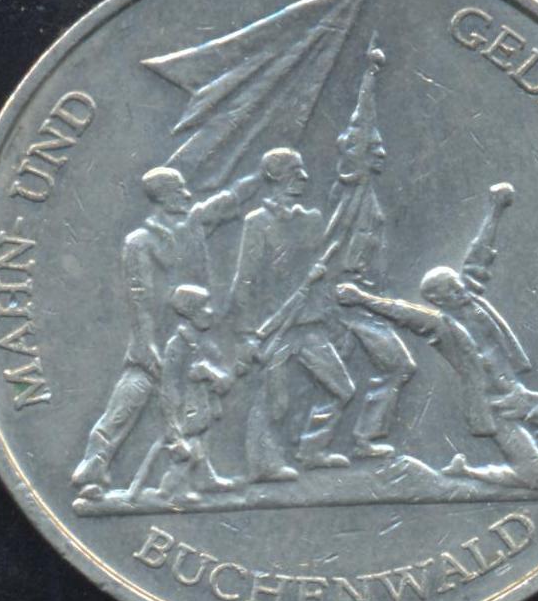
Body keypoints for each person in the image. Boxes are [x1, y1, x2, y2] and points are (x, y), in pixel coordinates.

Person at [335, 183, 538, 493]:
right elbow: (401, 312)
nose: (459, 290)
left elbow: (480, 254)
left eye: (458, 284)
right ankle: (471, 471)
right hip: (494, 409)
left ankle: (534, 454)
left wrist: (495, 209)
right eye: (451, 290)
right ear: (438, 299)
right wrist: (361, 298)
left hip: (519, 396)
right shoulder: (440, 326)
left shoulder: (472, 301)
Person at [71, 166, 260, 496]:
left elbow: (228, 200)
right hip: (156, 339)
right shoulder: (139, 242)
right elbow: (138, 297)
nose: (187, 195)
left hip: (193, 333)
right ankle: (93, 468)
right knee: (128, 401)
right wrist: (146, 343)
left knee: (199, 403)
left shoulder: (195, 224)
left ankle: (200, 473)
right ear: (162, 198)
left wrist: (260, 175)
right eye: (179, 191)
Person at [230, 147, 356, 481]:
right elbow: (244, 281)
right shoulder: (257, 223)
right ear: (276, 176)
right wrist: (246, 333)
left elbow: (324, 278)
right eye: (295, 170)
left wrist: (332, 316)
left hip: (311, 323)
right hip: (276, 327)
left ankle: (312, 450)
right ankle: (262, 465)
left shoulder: (311, 220)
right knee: (274, 400)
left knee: (342, 388)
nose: (304, 177)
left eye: (302, 170)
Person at [322, 36, 416, 458]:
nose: (381, 152)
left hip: (360, 299)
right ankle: (351, 441)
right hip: (343, 298)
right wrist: (369, 79)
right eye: (374, 148)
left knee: (339, 375)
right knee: (392, 366)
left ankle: (341, 444)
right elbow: (359, 136)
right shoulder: (353, 188)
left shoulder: (368, 196)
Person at [127, 284, 234, 504]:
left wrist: (209, 374)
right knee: (184, 450)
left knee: (199, 446)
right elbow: (169, 387)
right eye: (204, 306)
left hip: (201, 407)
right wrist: (173, 426)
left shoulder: (203, 344)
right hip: (184, 410)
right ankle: (171, 489)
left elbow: (224, 379)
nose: (210, 311)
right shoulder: (177, 346)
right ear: (190, 311)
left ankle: (204, 478)